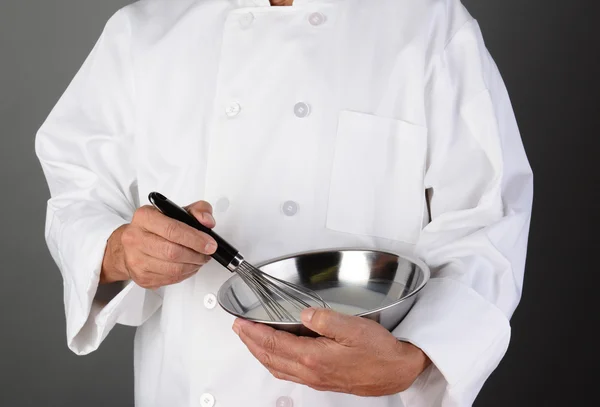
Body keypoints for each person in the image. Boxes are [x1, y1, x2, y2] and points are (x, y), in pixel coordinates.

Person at [35, 0, 533, 406]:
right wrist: (121, 250)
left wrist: (417, 358)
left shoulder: (428, 24)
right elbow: (78, 192)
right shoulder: (144, 31)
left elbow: (485, 226)